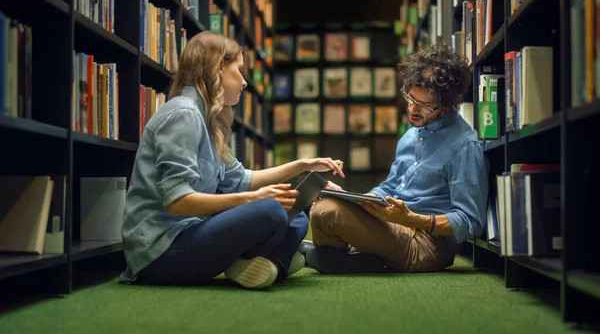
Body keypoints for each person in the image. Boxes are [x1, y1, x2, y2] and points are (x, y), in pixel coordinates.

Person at [119, 31, 344, 289]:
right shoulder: (183, 114)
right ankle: (271, 262)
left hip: (190, 236)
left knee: (296, 213)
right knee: (270, 209)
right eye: (239, 70)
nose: (245, 82)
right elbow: (177, 203)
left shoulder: (206, 120)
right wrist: (255, 199)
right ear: (219, 68)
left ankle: (264, 266)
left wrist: (303, 166)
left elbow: (242, 180)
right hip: (160, 255)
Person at [304, 42, 489, 274]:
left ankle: (340, 257)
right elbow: (390, 186)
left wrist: (413, 219)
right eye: (410, 98)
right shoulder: (411, 136)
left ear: (446, 106)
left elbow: (471, 222)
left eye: (424, 105)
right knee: (323, 205)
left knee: (327, 213)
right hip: (394, 227)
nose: (412, 109)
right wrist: (359, 200)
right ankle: (351, 259)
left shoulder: (464, 146)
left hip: (426, 243)